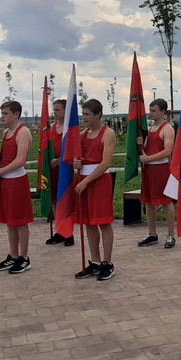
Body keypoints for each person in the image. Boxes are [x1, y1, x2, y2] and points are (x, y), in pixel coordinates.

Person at [73, 99, 117, 281]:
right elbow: (81, 158)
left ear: (98, 114)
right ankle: (96, 261)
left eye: (87, 114)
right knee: (89, 222)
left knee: (103, 222)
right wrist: (77, 163)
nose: (84, 118)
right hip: (84, 179)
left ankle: (108, 262)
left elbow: (106, 162)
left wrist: (86, 181)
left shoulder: (108, 134)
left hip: (99, 181)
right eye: (83, 114)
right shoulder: (83, 134)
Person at [0, 101, 34, 275]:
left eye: (6, 113)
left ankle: (24, 257)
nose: (3, 117)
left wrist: (0, 171)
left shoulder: (23, 132)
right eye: (2, 113)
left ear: (16, 114)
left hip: (16, 181)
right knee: (10, 220)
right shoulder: (7, 132)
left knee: (20, 220)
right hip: (5, 181)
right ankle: (13, 255)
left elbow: (20, 160)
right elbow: (8, 157)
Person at [137, 98, 177, 248]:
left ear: (162, 112)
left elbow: (167, 151)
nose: (151, 113)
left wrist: (148, 158)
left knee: (166, 202)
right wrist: (142, 144)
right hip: (149, 169)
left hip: (161, 169)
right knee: (148, 201)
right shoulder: (152, 128)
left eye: (154, 110)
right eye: (150, 110)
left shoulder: (167, 129)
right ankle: (152, 233)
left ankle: (171, 235)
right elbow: (149, 148)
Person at [45, 99, 74, 246]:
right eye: (53, 110)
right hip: (52, 171)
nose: (55, 112)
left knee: (65, 200)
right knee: (55, 201)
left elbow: (73, 150)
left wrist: (59, 160)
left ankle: (69, 232)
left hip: (65, 169)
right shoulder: (51, 128)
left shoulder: (70, 128)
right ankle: (60, 230)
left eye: (57, 110)